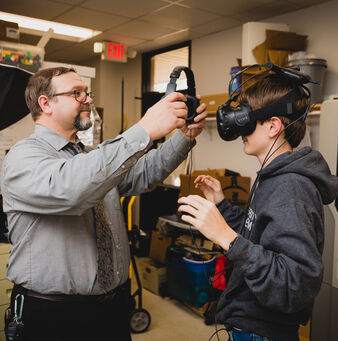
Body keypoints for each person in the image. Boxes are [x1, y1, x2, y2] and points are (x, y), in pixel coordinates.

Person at [0, 66, 207, 341]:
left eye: (87, 92)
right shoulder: (22, 157)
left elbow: (143, 174)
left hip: (111, 309)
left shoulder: (92, 156)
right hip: (53, 315)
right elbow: (72, 190)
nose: (88, 99)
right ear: (45, 103)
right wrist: (144, 129)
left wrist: (184, 137)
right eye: (77, 93)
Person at [178, 74, 338, 341]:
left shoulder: (291, 187)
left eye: (247, 120)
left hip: (262, 333)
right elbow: (258, 237)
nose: (240, 130)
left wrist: (225, 238)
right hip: (248, 325)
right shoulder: (271, 176)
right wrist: (222, 205)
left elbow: (293, 285)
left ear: (273, 125)